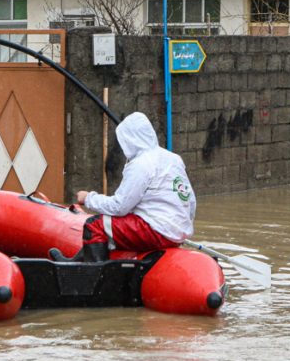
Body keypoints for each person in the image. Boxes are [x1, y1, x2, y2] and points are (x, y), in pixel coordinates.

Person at [51, 112, 196, 263]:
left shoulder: (141, 164)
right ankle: (74, 262)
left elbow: (120, 207)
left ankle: (94, 278)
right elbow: (190, 201)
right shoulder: (173, 159)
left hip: (156, 231)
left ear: (130, 139)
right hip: (178, 232)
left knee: (95, 225)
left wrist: (88, 198)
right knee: (113, 227)